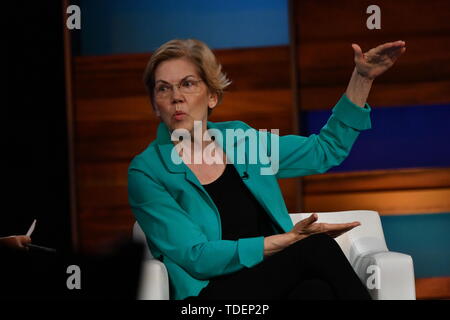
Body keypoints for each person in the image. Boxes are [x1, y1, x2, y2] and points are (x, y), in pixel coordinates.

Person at [128, 38, 406, 300]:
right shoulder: (147, 171)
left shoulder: (241, 140)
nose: (176, 97)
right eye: (163, 88)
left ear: (212, 96)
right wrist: (286, 241)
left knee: (316, 292)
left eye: (188, 84)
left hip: (272, 282)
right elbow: (197, 257)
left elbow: (324, 151)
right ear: (155, 104)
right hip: (208, 297)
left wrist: (362, 78)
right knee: (316, 247)